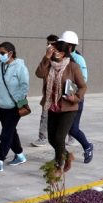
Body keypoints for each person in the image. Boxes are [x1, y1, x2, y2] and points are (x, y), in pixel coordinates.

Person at [36, 38, 86, 174]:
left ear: (63, 53)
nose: (53, 52)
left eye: (56, 50)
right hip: (52, 106)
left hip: (68, 107)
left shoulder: (73, 67)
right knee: (52, 138)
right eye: (52, 50)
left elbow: (82, 86)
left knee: (59, 137)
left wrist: (75, 98)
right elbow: (39, 73)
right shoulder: (49, 65)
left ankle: (59, 166)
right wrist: (46, 58)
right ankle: (67, 155)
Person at [0, 42, 30, 172]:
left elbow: (24, 86)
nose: (0, 55)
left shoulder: (20, 67)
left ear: (11, 53)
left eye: (2, 53)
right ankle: (20, 155)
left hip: (15, 107)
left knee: (5, 134)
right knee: (11, 131)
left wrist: (19, 101)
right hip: (0, 105)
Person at [59, 30, 94, 164]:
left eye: (65, 44)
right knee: (59, 130)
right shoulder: (60, 57)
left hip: (74, 99)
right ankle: (61, 155)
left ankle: (87, 146)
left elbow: (83, 80)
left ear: (71, 46)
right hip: (61, 99)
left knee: (72, 129)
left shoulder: (78, 59)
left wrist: (70, 91)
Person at [31, 34, 58, 147]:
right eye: (48, 44)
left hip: (60, 96)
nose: (50, 46)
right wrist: (46, 57)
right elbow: (39, 73)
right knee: (45, 116)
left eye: (52, 44)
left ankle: (70, 135)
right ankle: (42, 137)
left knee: (61, 119)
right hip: (48, 95)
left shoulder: (63, 58)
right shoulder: (46, 59)